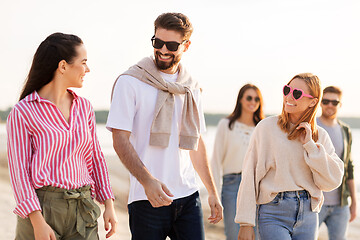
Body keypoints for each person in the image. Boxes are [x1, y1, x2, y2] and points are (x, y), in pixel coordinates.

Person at [106, 12, 222, 240]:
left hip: (188, 196)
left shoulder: (191, 87)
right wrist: (147, 181)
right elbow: (119, 139)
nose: (163, 50)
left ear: (186, 46)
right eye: (157, 43)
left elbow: (196, 143)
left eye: (171, 45)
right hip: (146, 197)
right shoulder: (130, 82)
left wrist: (212, 192)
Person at [6, 32, 117, 240]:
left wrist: (108, 203)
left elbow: (95, 157)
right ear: (63, 66)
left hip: (83, 208)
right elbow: (19, 173)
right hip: (42, 209)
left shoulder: (84, 107)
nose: (88, 69)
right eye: (83, 63)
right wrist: (37, 221)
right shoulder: (23, 112)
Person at [235, 73, 345, 240]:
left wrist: (310, 146)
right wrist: (245, 222)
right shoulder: (266, 128)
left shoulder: (319, 136)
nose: (289, 96)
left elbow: (332, 181)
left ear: (313, 102)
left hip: (309, 214)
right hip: (273, 212)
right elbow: (250, 175)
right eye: (287, 90)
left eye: (297, 93)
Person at [211, 84, 264, 240]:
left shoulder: (262, 128)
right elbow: (215, 162)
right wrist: (214, 194)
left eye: (256, 99)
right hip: (232, 186)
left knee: (259, 236)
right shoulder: (226, 125)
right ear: (240, 99)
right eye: (249, 97)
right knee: (235, 236)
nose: (252, 101)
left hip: (258, 187)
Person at [317, 86, 356, 240]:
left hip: (340, 204)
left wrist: (353, 202)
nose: (330, 105)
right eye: (326, 101)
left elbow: (349, 168)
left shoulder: (345, 131)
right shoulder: (312, 126)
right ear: (320, 103)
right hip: (314, 202)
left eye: (335, 102)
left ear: (340, 105)